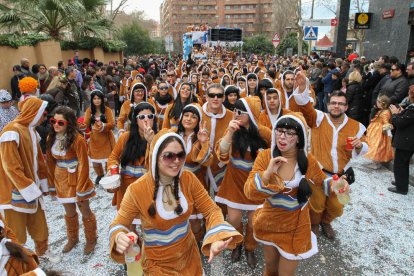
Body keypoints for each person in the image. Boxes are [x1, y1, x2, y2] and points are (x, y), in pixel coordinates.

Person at [108, 129, 243, 274]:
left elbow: (211, 210)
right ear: (155, 157)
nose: (176, 161)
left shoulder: (188, 179)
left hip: (190, 260)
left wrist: (216, 236)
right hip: (157, 266)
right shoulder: (137, 190)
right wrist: (119, 236)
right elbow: (119, 224)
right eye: (168, 156)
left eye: (180, 155)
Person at [244, 112, 348, 276]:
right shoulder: (265, 157)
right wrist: (267, 173)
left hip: (296, 226)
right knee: (270, 270)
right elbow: (250, 192)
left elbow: (323, 182)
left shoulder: (308, 161)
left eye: (290, 132)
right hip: (269, 221)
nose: (282, 136)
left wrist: (338, 184)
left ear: (299, 138)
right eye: (279, 130)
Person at [293, 75, 368, 240]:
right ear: (328, 105)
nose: (336, 106)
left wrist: (360, 145)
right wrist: (302, 88)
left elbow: (365, 145)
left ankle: (327, 222)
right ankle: (315, 223)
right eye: (333, 103)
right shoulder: (319, 118)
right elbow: (305, 107)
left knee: (338, 205)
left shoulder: (357, 126)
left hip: (341, 175)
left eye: (341, 104)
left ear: (346, 107)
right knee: (317, 203)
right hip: (317, 173)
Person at [0, 97, 59, 262]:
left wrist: (43, 183)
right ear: (33, 112)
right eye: (43, 113)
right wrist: (28, 188)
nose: (45, 118)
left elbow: (39, 160)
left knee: (40, 225)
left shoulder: (31, 131)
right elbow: (10, 166)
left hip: (32, 189)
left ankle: (43, 251)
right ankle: (17, 261)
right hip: (13, 193)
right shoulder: (11, 132)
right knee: (16, 231)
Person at [215, 96, 271, 268]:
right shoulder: (233, 129)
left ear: (252, 114)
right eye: (235, 111)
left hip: (255, 185)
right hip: (234, 182)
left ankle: (250, 247)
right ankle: (237, 244)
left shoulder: (264, 133)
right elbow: (222, 153)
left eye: (241, 112)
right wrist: (230, 132)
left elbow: (275, 154)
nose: (236, 115)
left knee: (255, 222)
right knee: (234, 218)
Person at [46, 106, 97, 254]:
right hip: (60, 178)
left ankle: (91, 239)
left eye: (60, 122)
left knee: (84, 209)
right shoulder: (51, 138)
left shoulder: (77, 139)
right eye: (53, 121)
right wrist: (51, 184)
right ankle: (73, 238)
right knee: (69, 211)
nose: (56, 124)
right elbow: (49, 162)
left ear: (69, 123)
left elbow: (84, 163)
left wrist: (81, 187)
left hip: (77, 176)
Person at [107, 102, 157, 210]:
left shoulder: (160, 138)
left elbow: (162, 162)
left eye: (150, 116)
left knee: (148, 222)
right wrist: (113, 168)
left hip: (148, 187)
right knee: (129, 222)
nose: (146, 119)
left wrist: (151, 142)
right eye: (142, 116)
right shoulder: (125, 137)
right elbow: (113, 156)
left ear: (154, 119)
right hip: (126, 186)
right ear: (135, 120)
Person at [176, 104, 213, 243]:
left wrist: (204, 143)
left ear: (198, 121)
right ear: (181, 117)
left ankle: (197, 243)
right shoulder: (173, 135)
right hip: (175, 183)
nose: (189, 119)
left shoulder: (199, 139)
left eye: (193, 117)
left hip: (194, 184)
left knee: (194, 222)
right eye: (186, 115)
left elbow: (207, 162)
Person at [79, 90, 116, 186]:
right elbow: (86, 124)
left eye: (98, 98)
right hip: (94, 139)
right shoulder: (89, 110)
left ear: (102, 99)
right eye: (94, 98)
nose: (97, 100)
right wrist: (81, 126)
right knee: (95, 162)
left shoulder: (107, 110)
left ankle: (109, 175)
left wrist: (103, 126)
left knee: (108, 160)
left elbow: (112, 124)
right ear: (92, 100)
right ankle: (100, 174)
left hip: (106, 138)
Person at [388, 85, 414, 195]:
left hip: (406, 141)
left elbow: (400, 123)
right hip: (408, 140)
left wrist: (395, 114)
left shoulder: (412, 109)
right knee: (403, 163)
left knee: (400, 164)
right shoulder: (411, 107)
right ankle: (401, 182)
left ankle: (401, 188)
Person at [364, 95, 394, 169]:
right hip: (375, 130)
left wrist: (389, 133)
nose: (376, 103)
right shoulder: (381, 110)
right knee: (373, 144)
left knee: (377, 146)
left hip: (379, 132)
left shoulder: (385, 112)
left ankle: (376, 163)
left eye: (378, 102)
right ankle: (375, 162)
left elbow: (386, 123)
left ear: (382, 104)